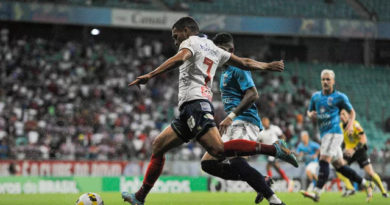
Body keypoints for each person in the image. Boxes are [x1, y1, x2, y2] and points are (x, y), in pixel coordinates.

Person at [122, 17, 298, 205]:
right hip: (190, 108)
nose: (175, 41)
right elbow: (244, 62)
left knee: (219, 150)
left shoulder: (191, 41)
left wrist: (150, 74)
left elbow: (180, 58)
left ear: (187, 30)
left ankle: (274, 149)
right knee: (160, 146)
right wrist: (266, 66)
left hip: (195, 105)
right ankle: (140, 197)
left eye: (176, 35)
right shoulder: (214, 48)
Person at [200, 32, 284, 205]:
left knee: (236, 161)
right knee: (208, 163)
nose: (218, 54)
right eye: (215, 51)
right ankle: (262, 181)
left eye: (222, 50)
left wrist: (231, 116)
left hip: (245, 121)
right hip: (235, 123)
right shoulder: (223, 71)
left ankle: (274, 200)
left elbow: (253, 94)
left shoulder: (238, 67)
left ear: (231, 50)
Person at [302, 69, 374, 202]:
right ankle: (366, 184)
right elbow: (309, 111)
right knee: (340, 166)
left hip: (334, 133)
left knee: (323, 159)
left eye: (328, 79)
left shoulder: (340, 97)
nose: (325, 82)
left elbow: (352, 112)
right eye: (323, 79)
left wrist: (351, 124)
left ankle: (316, 192)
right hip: (324, 134)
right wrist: (310, 114)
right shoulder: (315, 97)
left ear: (333, 81)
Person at [338, 109, 389, 197]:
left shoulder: (355, 124)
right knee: (338, 167)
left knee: (370, 173)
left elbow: (363, 139)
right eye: (340, 114)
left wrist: (354, 149)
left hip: (359, 151)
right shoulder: (339, 126)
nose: (342, 116)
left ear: (349, 116)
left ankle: (383, 191)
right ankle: (350, 188)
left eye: (344, 114)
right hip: (349, 152)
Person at [259, 117, 294, 192]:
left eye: (266, 121)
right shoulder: (261, 133)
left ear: (268, 121)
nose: (265, 122)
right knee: (276, 168)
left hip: (276, 150)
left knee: (268, 166)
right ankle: (289, 181)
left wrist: (282, 146)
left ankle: (269, 185)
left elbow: (283, 137)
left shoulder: (275, 128)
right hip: (268, 152)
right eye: (263, 121)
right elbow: (260, 142)